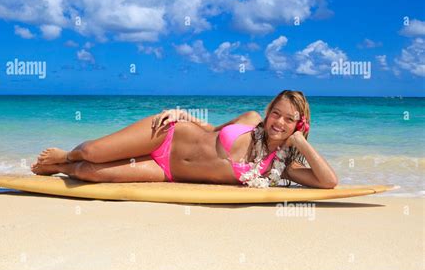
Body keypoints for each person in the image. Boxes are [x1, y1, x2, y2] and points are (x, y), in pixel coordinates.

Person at [31, 90, 338, 188]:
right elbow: (211, 129)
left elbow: (329, 182)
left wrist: (301, 144)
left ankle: (66, 168)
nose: (279, 123)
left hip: (167, 172)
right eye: (277, 113)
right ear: (269, 111)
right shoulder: (250, 120)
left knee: (89, 173)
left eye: (289, 119)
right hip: (165, 136)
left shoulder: (280, 168)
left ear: (300, 124)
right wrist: (181, 113)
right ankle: (65, 155)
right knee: (91, 151)